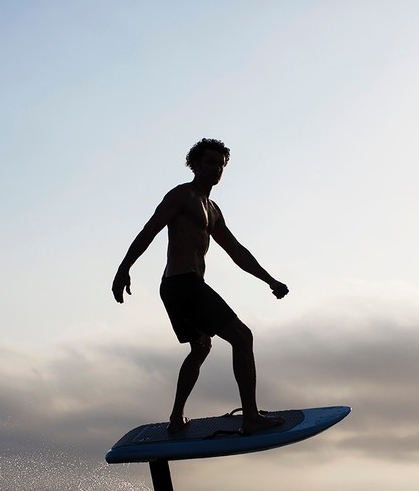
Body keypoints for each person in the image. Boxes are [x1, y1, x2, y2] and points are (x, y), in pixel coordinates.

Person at [112, 138, 289, 434]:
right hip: (182, 284)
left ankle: (176, 417)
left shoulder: (213, 209)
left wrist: (269, 280)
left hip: (179, 286)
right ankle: (251, 418)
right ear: (194, 165)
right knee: (242, 337)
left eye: (221, 165)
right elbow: (150, 229)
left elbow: (236, 251)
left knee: (201, 346)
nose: (216, 169)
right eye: (210, 163)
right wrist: (123, 268)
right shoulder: (182, 196)